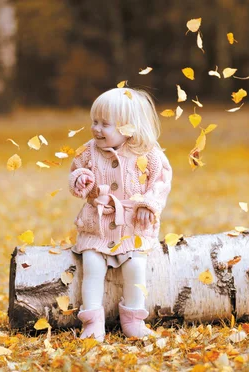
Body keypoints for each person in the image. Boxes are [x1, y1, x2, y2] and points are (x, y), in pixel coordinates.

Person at [68, 87, 172, 341]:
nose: (97, 129)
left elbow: (161, 181)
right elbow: (77, 173)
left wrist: (148, 204)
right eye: (94, 122)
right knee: (92, 265)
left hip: (132, 226)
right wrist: (81, 180)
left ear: (129, 127)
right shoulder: (88, 151)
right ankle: (92, 321)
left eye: (105, 124)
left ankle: (133, 320)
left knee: (136, 267)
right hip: (98, 226)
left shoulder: (148, 153)